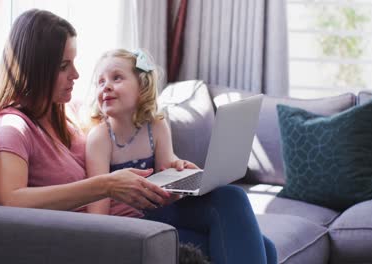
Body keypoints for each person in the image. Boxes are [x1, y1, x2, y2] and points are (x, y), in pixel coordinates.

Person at [0, 9, 277, 264]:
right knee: (232, 206)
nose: (76, 74)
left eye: (74, 63)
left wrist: (172, 173)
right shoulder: (13, 126)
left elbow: (125, 123)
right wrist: (107, 185)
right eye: (64, 66)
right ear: (36, 69)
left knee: (264, 245)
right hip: (110, 232)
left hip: (139, 216)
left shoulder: (63, 114)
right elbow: (9, 201)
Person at [85, 49, 277, 263]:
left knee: (241, 209)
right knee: (258, 246)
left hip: (160, 212)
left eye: (116, 78)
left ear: (142, 87)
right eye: (100, 82)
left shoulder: (155, 125)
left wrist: (179, 172)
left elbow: (168, 185)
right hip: (132, 226)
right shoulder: (100, 138)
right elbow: (97, 215)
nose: (106, 86)